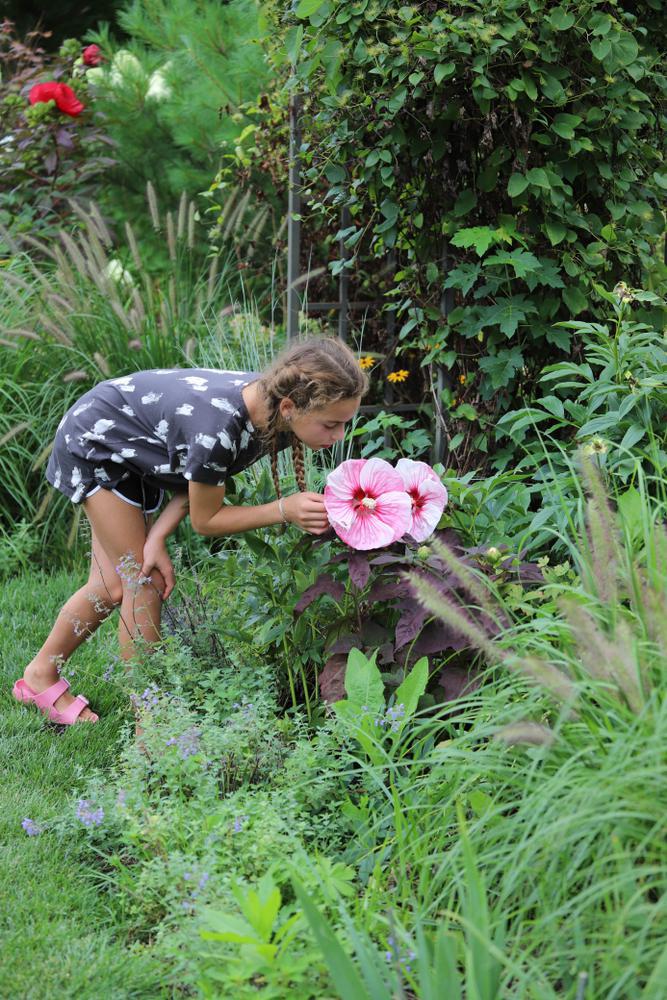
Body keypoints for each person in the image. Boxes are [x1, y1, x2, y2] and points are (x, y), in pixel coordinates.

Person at [13, 336, 367, 724]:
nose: (338, 436)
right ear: (290, 406)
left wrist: (158, 535)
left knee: (114, 582)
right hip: (97, 441)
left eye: (344, 424)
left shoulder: (275, 411)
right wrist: (284, 509)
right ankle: (149, 721)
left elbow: (198, 478)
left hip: (137, 452)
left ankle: (38, 676)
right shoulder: (220, 425)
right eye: (331, 425)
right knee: (140, 581)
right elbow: (206, 519)